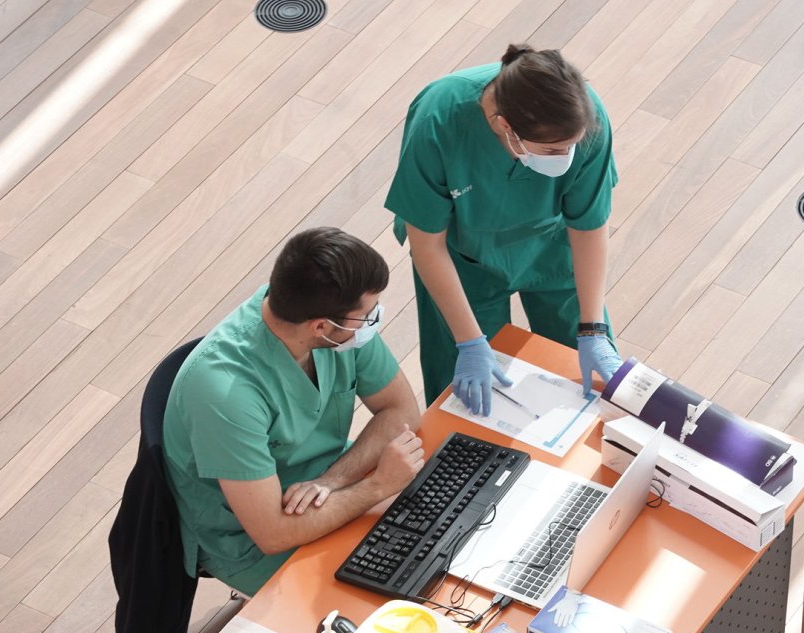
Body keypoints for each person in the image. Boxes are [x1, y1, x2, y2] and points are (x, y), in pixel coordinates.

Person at [162, 227, 425, 596]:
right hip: (251, 538)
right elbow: (273, 533)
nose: (373, 321)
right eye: (367, 315)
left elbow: (401, 411)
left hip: (330, 477)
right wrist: (377, 486)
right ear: (321, 327)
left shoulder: (330, 322)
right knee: (384, 592)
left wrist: (331, 481)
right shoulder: (225, 393)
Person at [385, 44, 623, 417]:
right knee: (468, 400)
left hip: (553, 248)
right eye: (551, 151)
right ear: (504, 126)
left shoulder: (584, 117)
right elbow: (427, 244)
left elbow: (589, 223)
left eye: (571, 148)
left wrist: (593, 329)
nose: (565, 158)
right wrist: (468, 342)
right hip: (463, 260)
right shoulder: (439, 120)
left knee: (597, 383)